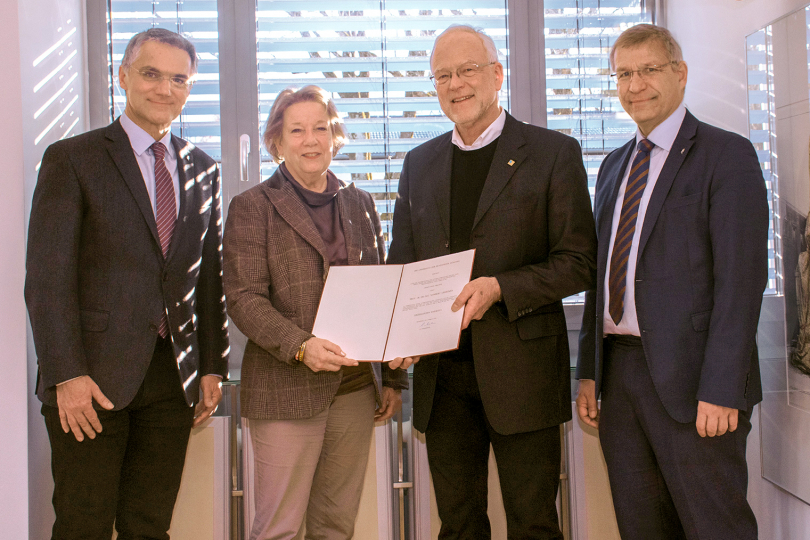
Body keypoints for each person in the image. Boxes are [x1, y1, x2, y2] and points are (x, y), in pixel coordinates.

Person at [387, 24, 597, 539]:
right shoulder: (419, 163)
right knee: (458, 526)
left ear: (497, 74)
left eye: (467, 70)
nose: (455, 84)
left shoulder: (553, 153)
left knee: (534, 525)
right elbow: (403, 267)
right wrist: (397, 337)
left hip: (523, 374)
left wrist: (501, 287)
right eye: (442, 75)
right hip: (443, 380)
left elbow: (579, 261)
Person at [25, 28, 230, 540]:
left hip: (171, 381)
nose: (165, 88)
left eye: (178, 78)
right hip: (90, 382)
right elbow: (47, 277)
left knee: (149, 526)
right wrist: (65, 374)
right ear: (123, 77)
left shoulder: (204, 170)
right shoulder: (73, 158)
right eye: (151, 74)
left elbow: (208, 281)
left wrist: (211, 366)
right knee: (83, 525)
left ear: (190, 87)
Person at [575, 24, 768, 540]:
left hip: (696, 384)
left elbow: (741, 282)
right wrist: (590, 370)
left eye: (648, 70)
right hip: (621, 379)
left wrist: (723, 388)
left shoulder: (727, 156)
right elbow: (602, 275)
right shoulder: (614, 165)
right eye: (623, 74)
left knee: (715, 527)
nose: (635, 85)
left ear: (679, 74)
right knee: (641, 528)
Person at [222, 85, 408, 540]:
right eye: (297, 130)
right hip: (287, 389)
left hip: (355, 390)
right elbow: (244, 298)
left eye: (321, 128)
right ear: (276, 142)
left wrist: (394, 378)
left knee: (335, 526)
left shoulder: (361, 204)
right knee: (279, 529)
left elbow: (380, 292)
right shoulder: (252, 207)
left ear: (335, 136)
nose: (311, 140)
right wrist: (302, 347)